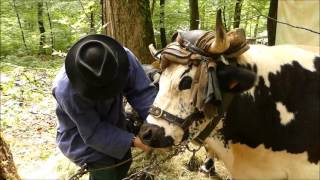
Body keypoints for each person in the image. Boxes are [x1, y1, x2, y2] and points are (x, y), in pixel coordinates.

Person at [52, 34, 157, 180]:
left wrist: (158, 124)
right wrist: (133, 141)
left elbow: (142, 93)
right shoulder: (66, 90)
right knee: (105, 170)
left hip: (114, 119)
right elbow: (93, 131)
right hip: (79, 134)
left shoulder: (124, 59)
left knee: (123, 161)